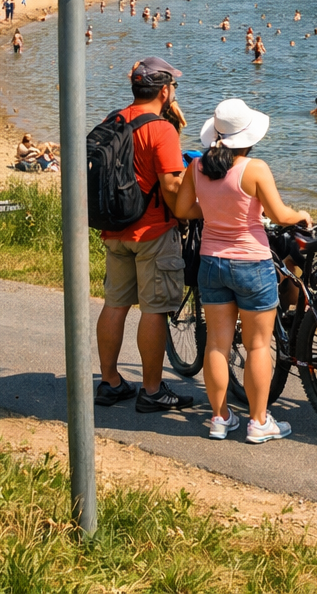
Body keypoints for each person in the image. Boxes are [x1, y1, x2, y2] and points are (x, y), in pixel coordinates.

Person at [170, 99, 310, 443]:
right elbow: (279, 215)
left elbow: (183, 208)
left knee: (217, 344)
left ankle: (219, 419)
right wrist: (301, 215)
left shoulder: (198, 167)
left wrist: (214, 212)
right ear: (248, 137)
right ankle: (258, 422)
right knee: (258, 345)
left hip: (211, 263)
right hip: (252, 263)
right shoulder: (255, 168)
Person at [94, 57, 197, 414]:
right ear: (165, 91)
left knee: (115, 305)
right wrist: (190, 213)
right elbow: (171, 185)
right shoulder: (161, 130)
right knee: (154, 310)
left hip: (114, 229)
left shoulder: (114, 119)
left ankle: (109, 381)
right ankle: (152, 391)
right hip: (152, 231)